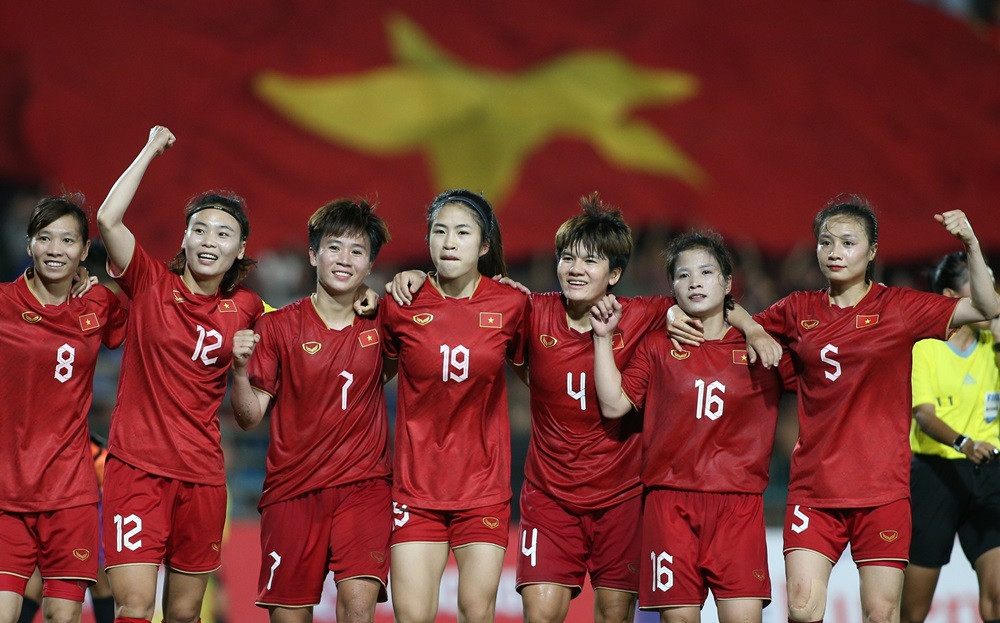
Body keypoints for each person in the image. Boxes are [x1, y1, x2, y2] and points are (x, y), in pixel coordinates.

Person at [388, 194, 779, 623]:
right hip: (549, 496)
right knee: (541, 610)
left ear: (614, 274)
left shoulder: (643, 315)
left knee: (614, 612)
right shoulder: (529, 309)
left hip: (622, 497)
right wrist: (419, 277)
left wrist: (753, 328)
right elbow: (469, 302)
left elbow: (710, 303)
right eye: (568, 258)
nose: (576, 269)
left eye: (591, 261)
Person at [731, 194, 1000, 623]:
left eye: (848, 242)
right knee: (801, 609)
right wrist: (753, 328)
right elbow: (725, 318)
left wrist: (970, 242)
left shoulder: (900, 308)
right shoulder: (798, 308)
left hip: (882, 493)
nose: (834, 252)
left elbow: (987, 307)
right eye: (825, 242)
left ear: (872, 251)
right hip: (814, 490)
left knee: (881, 614)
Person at [96, 126, 264, 623]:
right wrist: (150, 149)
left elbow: (314, 318)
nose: (210, 240)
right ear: (184, 237)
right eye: (200, 229)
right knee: (134, 606)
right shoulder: (149, 282)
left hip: (203, 478)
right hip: (135, 471)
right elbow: (107, 219)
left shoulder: (249, 308)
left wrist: (369, 299)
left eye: (223, 233)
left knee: (186, 614)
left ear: (240, 248)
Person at [590, 231, 789, 623]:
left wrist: (752, 328)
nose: (695, 282)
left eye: (706, 272)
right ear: (672, 288)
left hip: (738, 506)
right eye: (683, 275)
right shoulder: (656, 345)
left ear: (728, 283)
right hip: (670, 504)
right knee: (678, 619)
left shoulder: (760, 344)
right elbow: (613, 405)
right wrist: (602, 339)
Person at [228, 198, 393, 623]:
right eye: (334, 247)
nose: (344, 259)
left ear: (370, 265)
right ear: (313, 255)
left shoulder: (384, 321)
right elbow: (249, 418)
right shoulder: (277, 327)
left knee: (358, 610)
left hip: (364, 487)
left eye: (357, 251)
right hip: (292, 491)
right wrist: (240, 372)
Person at [380, 189, 529, 623]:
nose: (449, 242)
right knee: (412, 616)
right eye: (439, 231)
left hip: (483, 488)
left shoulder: (512, 304)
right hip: (416, 488)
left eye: (462, 233)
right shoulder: (401, 303)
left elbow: (541, 375)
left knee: (476, 613)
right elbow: (373, 374)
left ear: (483, 246)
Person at [0, 195, 127, 623]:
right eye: (45, 238)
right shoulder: (2, 303)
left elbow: (151, 316)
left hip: (72, 494)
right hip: (6, 493)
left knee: (63, 615)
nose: (55, 249)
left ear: (85, 250)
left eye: (68, 240)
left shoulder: (99, 304)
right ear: (29, 244)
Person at [900, 251, 1000, 623]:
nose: (991, 293)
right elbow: (924, 415)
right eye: (979, 284)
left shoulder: (993, 344)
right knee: (912, 611)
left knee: (998, 599)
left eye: (992, 283)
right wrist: (964, 443)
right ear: (949, 297)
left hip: (989, 475)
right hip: (935, 477)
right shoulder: (925, 347)